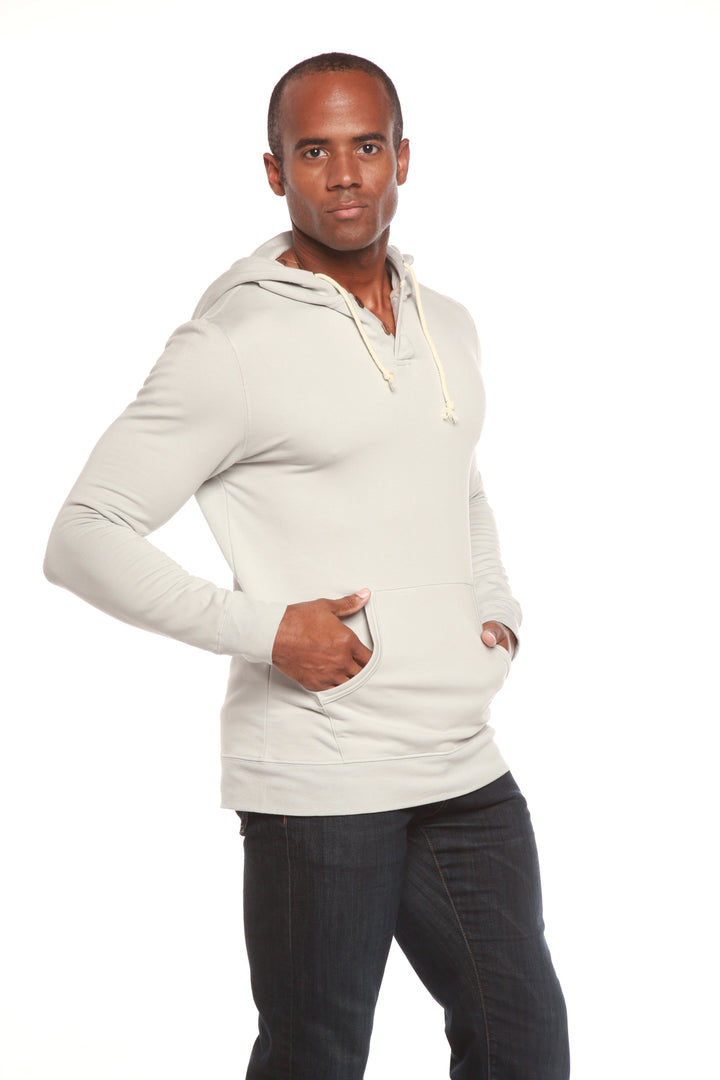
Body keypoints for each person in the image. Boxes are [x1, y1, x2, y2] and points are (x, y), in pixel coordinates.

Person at [44, 52, 569, 1080]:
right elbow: (84, 534)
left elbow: (456, 480)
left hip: (460, 757)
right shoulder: (231, 344)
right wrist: (269, 630)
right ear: (275, 171)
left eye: (365, 146)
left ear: (402, 157)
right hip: (320, 773)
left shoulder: (448, 322)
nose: (344, 175)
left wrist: (494, 604)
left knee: (523, 1042)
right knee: (316, 1059)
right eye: (314, 152)